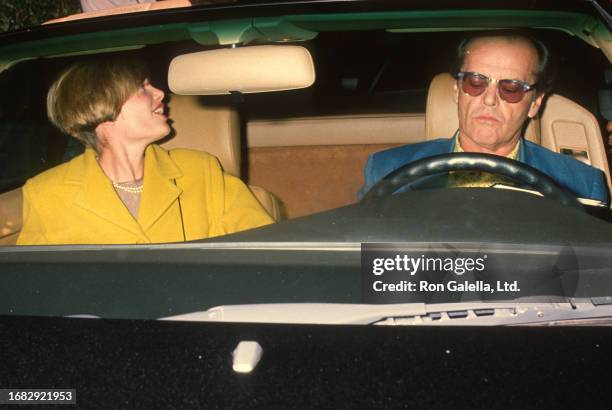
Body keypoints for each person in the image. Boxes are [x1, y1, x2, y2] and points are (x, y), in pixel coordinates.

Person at [17, 59, 273, 245]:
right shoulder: (46, 193)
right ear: (100, 105)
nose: (160, 93)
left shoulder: (202, 170)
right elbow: (36, 286)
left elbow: (263, 251)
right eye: (142, 88)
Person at [359, 33, 609, 204]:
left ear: (535, 103)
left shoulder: (580, 184)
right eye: (475, 82)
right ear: (457, 91)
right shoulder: (387, 170)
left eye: (510, 88)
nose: (490, 100)